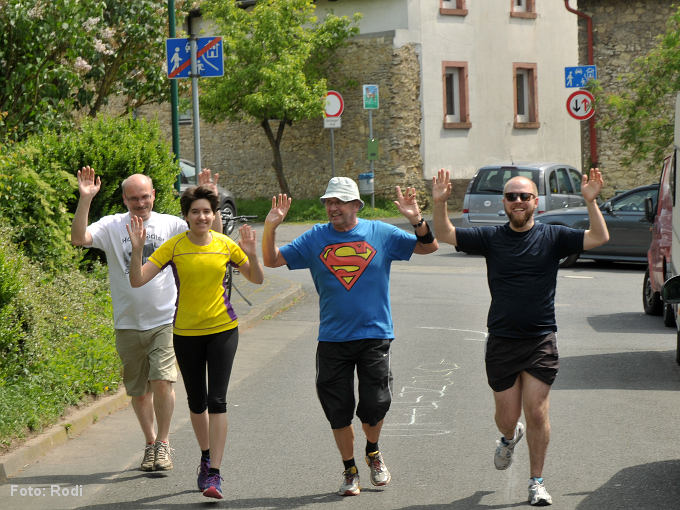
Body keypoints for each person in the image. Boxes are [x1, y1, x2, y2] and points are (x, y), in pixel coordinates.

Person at [432, 168, 609, 506]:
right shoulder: (492, 238)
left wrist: (591, 201)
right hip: (501, 340)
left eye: (524, 196)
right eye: (511, 196)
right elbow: (446, 234)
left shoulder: (553, 236)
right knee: (508, 417)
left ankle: (537, 482)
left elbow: (599, 237)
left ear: (535, 202)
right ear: (504, 202)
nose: (517, 201)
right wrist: (440, 203)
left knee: (538, 412)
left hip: (540, 339)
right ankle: (507, 437)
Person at [262, 176, 438, 497]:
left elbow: (428, 246)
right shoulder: (315, 238)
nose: (332, 207)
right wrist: (271, 226)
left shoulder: (379, 233)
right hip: (332, 338)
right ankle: (350, 469)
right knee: (338, 409)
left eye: (339, 202)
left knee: (375, 405)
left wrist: (417, 220)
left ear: (356, 205)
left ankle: (372, 449)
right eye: (329, 202)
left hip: (375, 335)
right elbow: (272, 260)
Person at [71, 166, 222, 473]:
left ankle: (163, 444)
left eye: (144, 197)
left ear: (153, 195)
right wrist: (85, 199)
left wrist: (210, 199)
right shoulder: (112, 226)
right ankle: (151, 442)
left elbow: (211, 236)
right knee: (139, 392)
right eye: (133, 198)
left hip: (165, 319)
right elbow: (78, 238)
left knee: (163, 381)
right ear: (124, 200)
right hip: (126, 322)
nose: (140, 203)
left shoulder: (170, 225)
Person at [127, 184, 264, 500]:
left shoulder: (225, 245)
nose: (202, 216)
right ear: (186, 216)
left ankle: (214, 473)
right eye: (195, 211)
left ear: (214, 215)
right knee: (196, 402)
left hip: (222, 330)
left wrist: (253, 255)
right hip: (186, 334)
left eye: (207, 211)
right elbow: (137, 280)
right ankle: (205, 456)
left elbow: (256, 278)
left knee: (218, 400)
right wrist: (137, 250)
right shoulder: (174, 247)